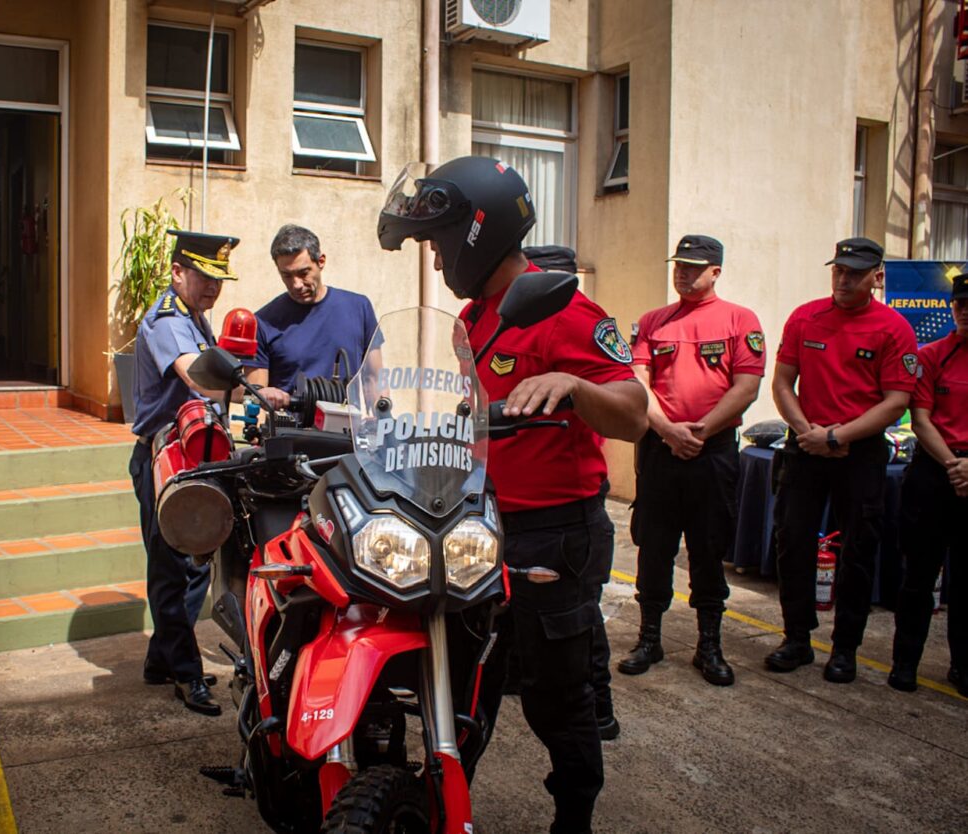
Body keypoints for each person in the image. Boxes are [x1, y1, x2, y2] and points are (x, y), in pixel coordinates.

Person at [379, 156, 648, 833]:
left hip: (558, 531)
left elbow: (634, 411)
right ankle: (444, 801)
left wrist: (577, 387)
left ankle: (574, 816)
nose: (437, 263)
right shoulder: (472, 321)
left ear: (478, 232)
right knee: (463, 678)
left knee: (558, 696)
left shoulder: (564, 308)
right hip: (484, 525)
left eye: (439, 245)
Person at [767, 237, 917, 683]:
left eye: (854, 272)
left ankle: (845, 648)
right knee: (792, 543)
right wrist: (808, 433)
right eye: (838, 270)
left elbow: (895, 401)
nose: (844, 279)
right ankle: (797, 638)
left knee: (858, 550)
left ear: (877, 277)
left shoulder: (893, 328)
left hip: (860, 451)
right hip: (807, 445)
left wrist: (837, 436)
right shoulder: (805, 317)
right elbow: (782, 384)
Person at [622, 235, 765, 687]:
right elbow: (637, 382)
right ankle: (650, 638)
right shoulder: (653, 322)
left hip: (712, 452)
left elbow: (747, 386)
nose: (682, 273)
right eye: (679, 266)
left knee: (708, 547)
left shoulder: (740, 320)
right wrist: (669, 430)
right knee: (654, 545)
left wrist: (699, 432)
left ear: (715, 272)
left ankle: (709, 644)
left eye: (693, 267)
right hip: (661, 450)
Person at [129, 229, 241, 716]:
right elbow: (196, 374)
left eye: (219, 278)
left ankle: (162, 660)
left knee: (195, 561)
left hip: (196, 451)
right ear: (178, 272)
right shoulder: (169, 320)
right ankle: (188, 673)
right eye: (204, 276)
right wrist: (253, 387)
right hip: (165, 456)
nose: (213, 287)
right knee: (172, 568)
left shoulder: (196, 316)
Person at [522, 243, 620, 739]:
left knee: (579, 626)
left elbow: (626, 404)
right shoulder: (498, 320)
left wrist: (573, 385)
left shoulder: (579, 321)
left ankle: (598, 706)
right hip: (513, 508)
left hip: (571, 505)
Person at [888, 273, 968, 696]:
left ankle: (962, 665)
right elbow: (920, 419)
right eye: (961, 304)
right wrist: (956, 465)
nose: (966, 311)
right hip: (936, 472)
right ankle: (905, 662)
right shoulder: (931, 354)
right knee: (918, 575)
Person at [245, 224, 378, 409]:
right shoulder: (263, 322)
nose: (296, 284)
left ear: (321, 261)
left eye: (303, 273)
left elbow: (374, 378)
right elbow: (256, 397)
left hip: (347, 431)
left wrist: (381, 421)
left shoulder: (359, 308)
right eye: (287, 275)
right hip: (290, 433)